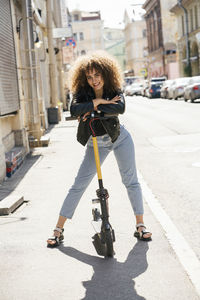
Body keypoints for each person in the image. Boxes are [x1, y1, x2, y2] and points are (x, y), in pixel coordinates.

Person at [47, 51, 152, 247]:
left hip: (119, 137)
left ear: (105, 73)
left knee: (131, 181)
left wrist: (93, 109)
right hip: (96, 142)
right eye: (89, 77)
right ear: (84, 78)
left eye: (97, 75)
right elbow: (74, 109)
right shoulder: (82, 93)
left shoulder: (114, 88)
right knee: (79, 184)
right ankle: (58, 230)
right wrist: (99, 102)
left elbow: (120, 108)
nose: (94, 80)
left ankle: (140, 225)